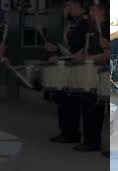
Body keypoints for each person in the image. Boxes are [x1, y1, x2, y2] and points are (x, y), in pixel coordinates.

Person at [46, 0, 89, 144]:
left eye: (69, 5)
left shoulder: (85, 22)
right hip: (68, 64)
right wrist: (56, 50)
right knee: (62, 99)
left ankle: (72, 133)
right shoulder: (72, 23)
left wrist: (80, 53)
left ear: (78, 5)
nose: (67, 8)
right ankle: (65, 131)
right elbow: (67, 47)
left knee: (71, 101)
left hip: (77, 66)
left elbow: (83, 45)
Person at [73, 2, 108, 152]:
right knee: (89, 107)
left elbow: (108, 54)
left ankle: (93, 142)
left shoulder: (106, 28)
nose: (91, 13)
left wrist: (91, 59)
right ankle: (90, 141)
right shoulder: (93, 28)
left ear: (103, 11)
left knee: (98, 109)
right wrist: (82, 55)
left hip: (103, 73)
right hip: (92, 72)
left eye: (94, 10)